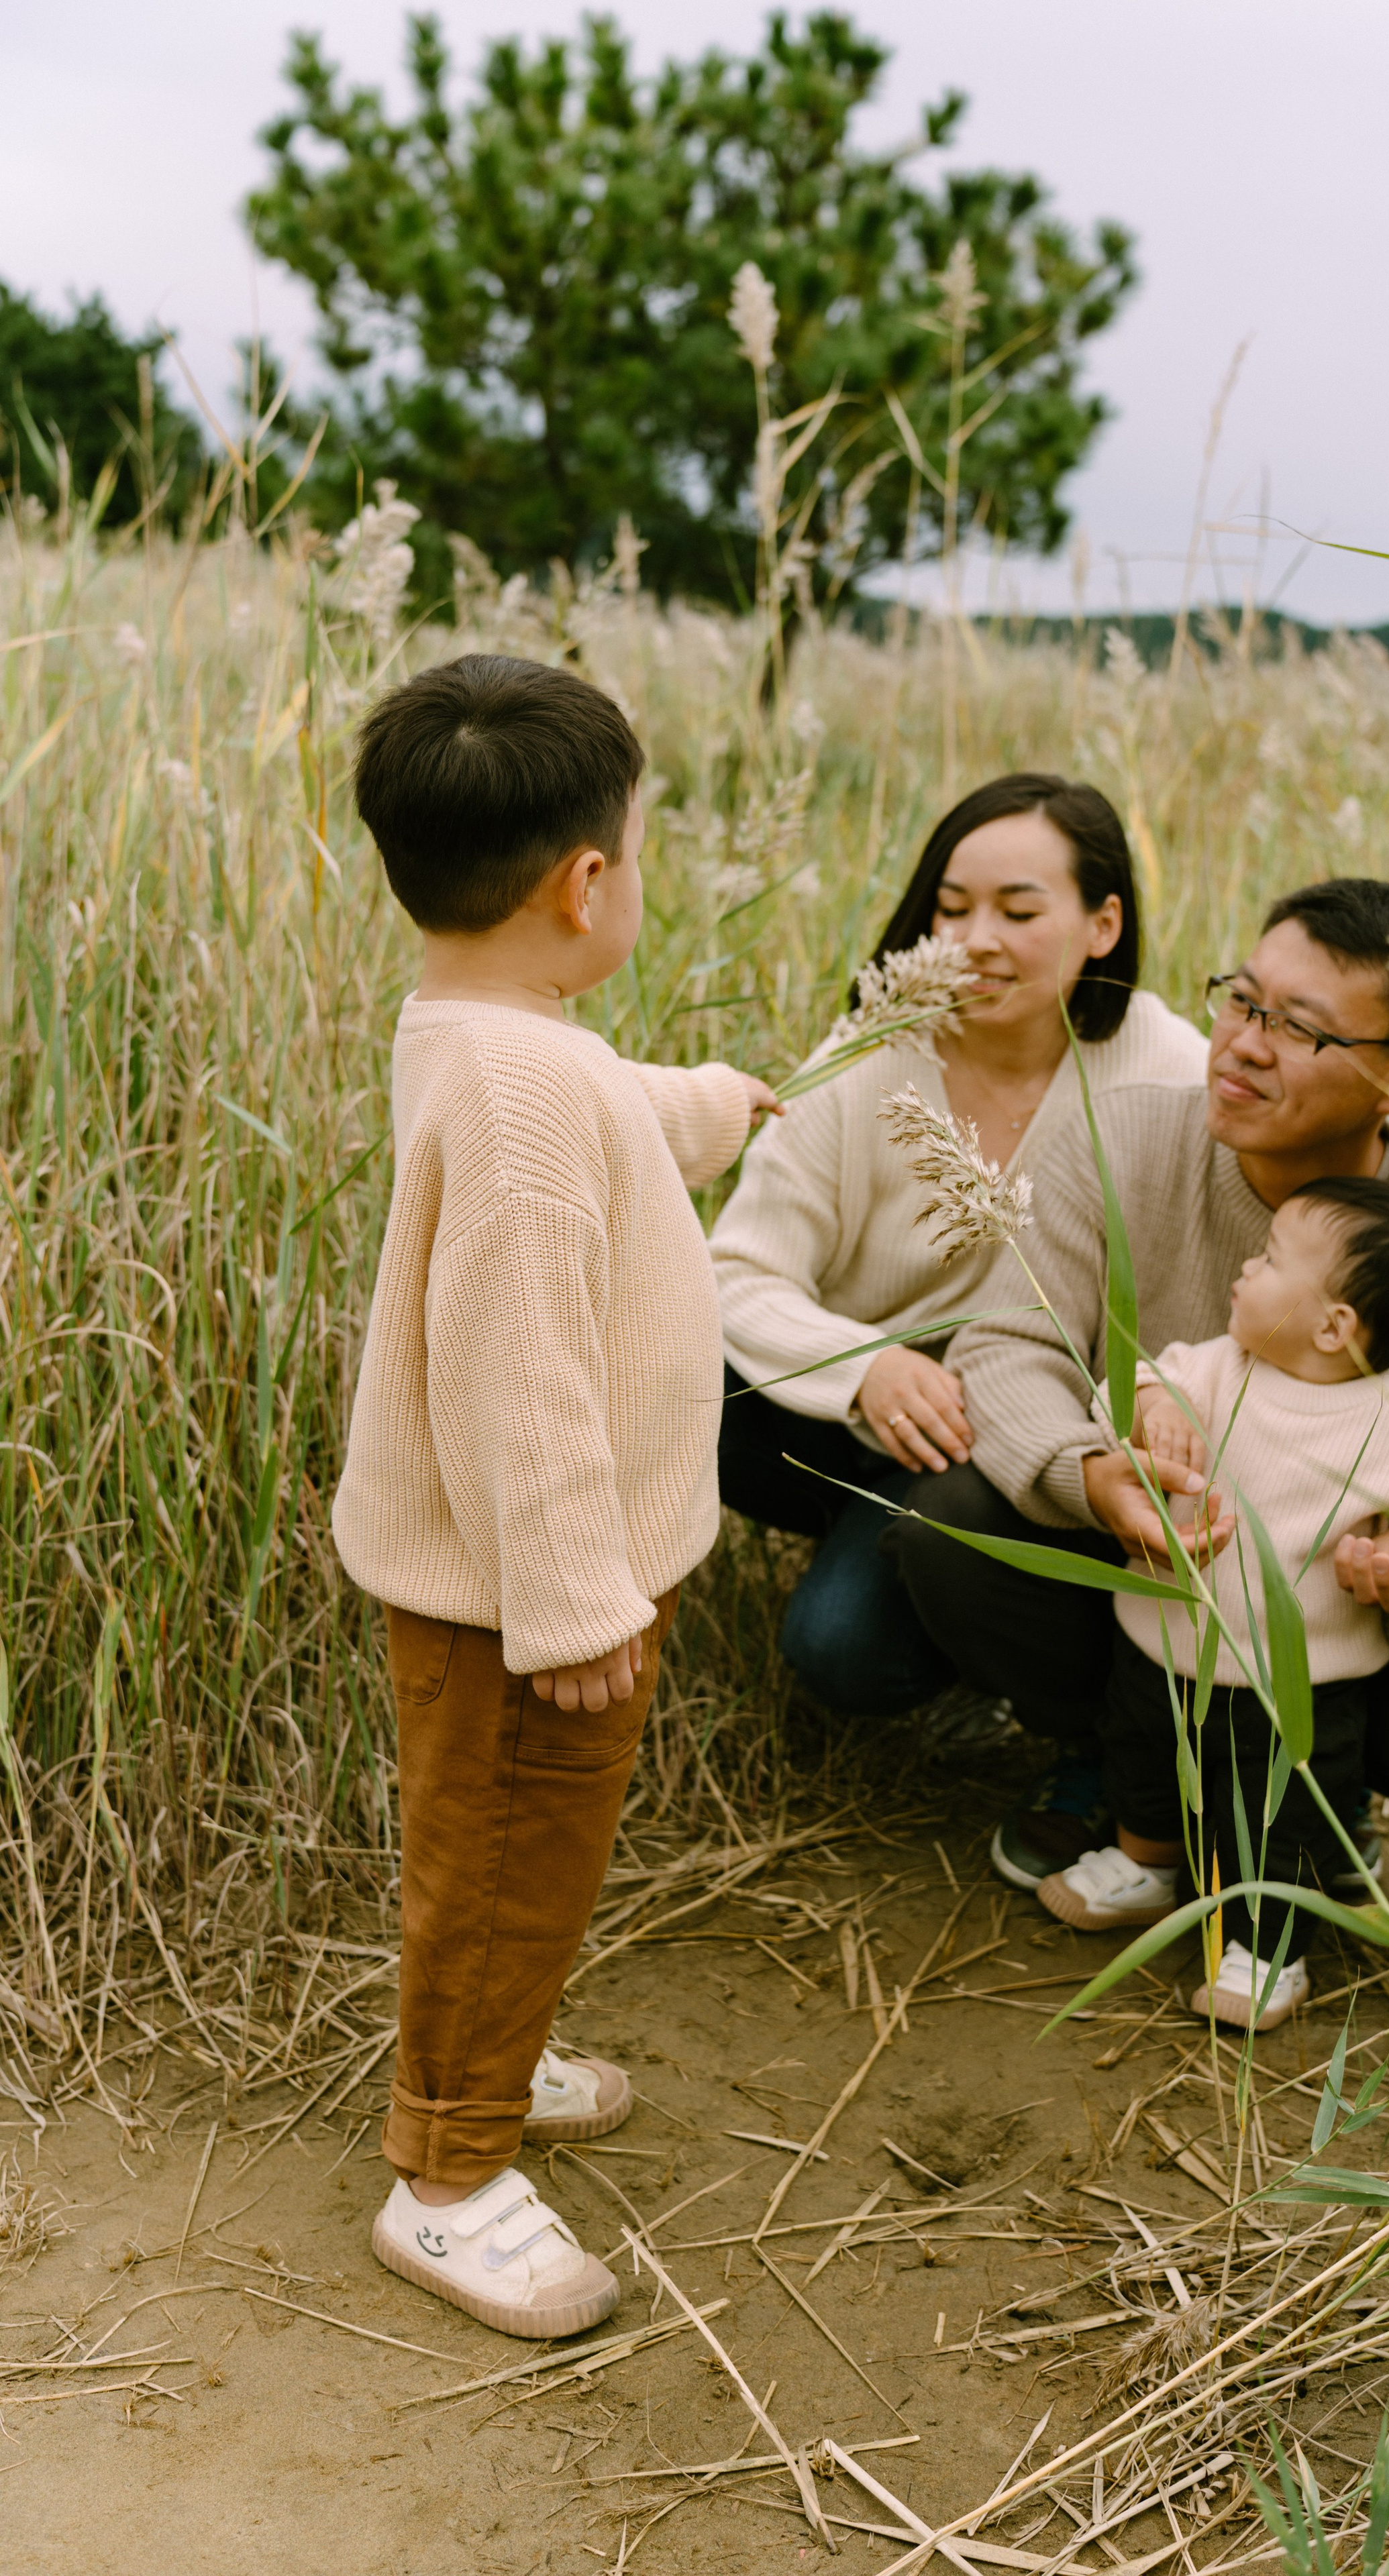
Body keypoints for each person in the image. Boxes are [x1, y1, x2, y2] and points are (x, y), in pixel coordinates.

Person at [711, 784, 1389, 1762]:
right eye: (951, 909)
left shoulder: (1164, 1056)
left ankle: (1055, 1704)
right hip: (881, 1415)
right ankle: (910, 1587)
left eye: (1020, 911)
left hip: (1038, 1435)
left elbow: (1306, 1103)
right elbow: (736, 1274)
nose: (975, 939)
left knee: (844, 1641)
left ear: (1103, 923)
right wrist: (864, 1367)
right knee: (702, 1395)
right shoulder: (864, 1059)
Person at [331, 654, 776, 2339]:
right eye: (635, 852)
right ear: (586, 880)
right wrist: (574, 1604)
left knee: (531, 1855)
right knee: (503, 1859)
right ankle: (444, 2174)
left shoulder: (495, 1030)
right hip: (517, 1592)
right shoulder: (521, 1095)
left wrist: (719, 1106)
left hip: (524, 1578)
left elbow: (614, 1104)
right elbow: (520, 1374)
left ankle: (493, 2062)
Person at [898, 875, 1389, 1889]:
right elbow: (1003, 1351)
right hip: (1141, 1601)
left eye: (1300, 1029)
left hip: (1341, 1644)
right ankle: (1117, 1765)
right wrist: (1099, 1478)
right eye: (1242, 1001)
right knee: (944, 1520)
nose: (1245, 1043)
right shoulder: (1119, 1143)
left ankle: (1316, 1796)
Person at [1037, 1175, 1389, 2032]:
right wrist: (1146, 1407)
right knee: (1142, 1753)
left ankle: (1266, 1941)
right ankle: (1148, 1864)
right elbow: (1120, 1388)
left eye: (1270, 1259)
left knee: (1279, 1810)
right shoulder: (1213, 1369)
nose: (1244, 1268)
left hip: (1300, 1685)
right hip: (1161, 1645)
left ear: (1334, 1325)